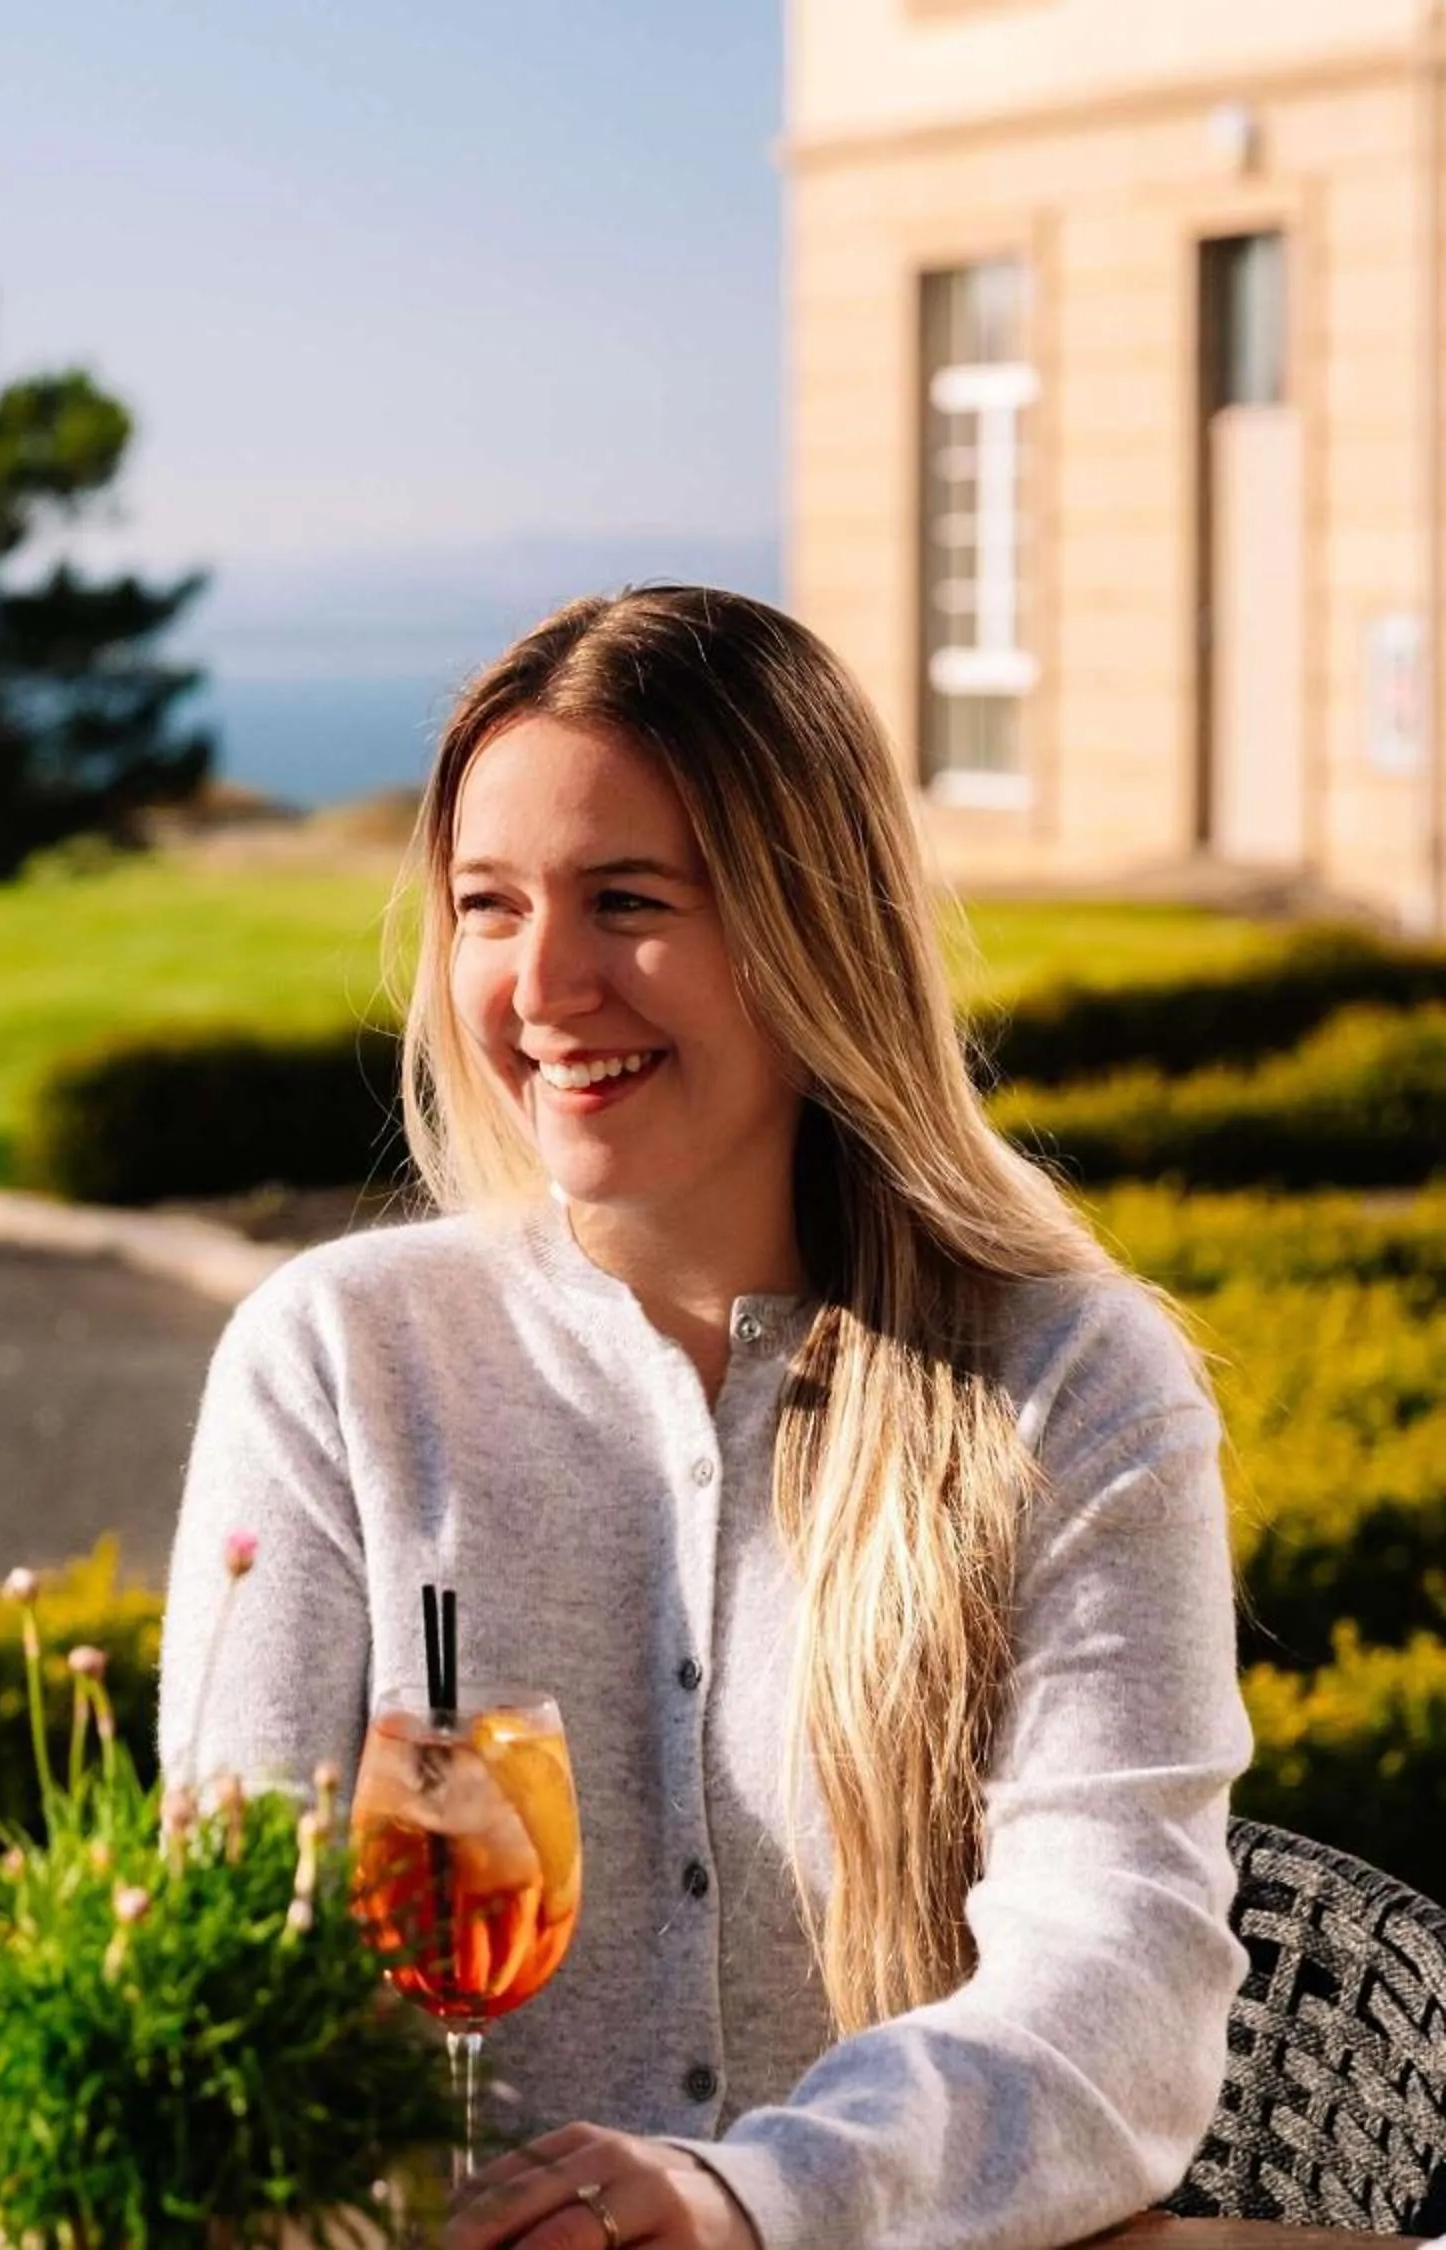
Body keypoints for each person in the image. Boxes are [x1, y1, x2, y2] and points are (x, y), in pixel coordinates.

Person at [157, 586, 1251, 2250]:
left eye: (628, 900)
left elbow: (1124, 1984)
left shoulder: (1069, 1381)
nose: (543, 983)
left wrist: (756, 2197)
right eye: (488, 905)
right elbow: (227, 1974)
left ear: (810, 926)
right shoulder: (336, 1363)